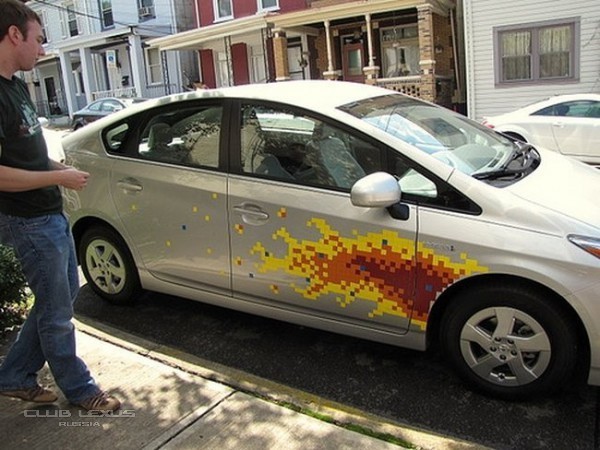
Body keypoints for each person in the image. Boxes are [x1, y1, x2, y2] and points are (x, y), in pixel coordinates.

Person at [0, 0, 120, 412]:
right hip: (28, 220)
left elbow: (27, 159)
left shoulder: (16, 86)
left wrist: (61, 170)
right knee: (56, 314)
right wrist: (57, 178)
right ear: (14, 34)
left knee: (61, 297)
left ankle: (15, 375)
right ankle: (82, 390)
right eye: (38, 39)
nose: (43, 49)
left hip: (48, 214)